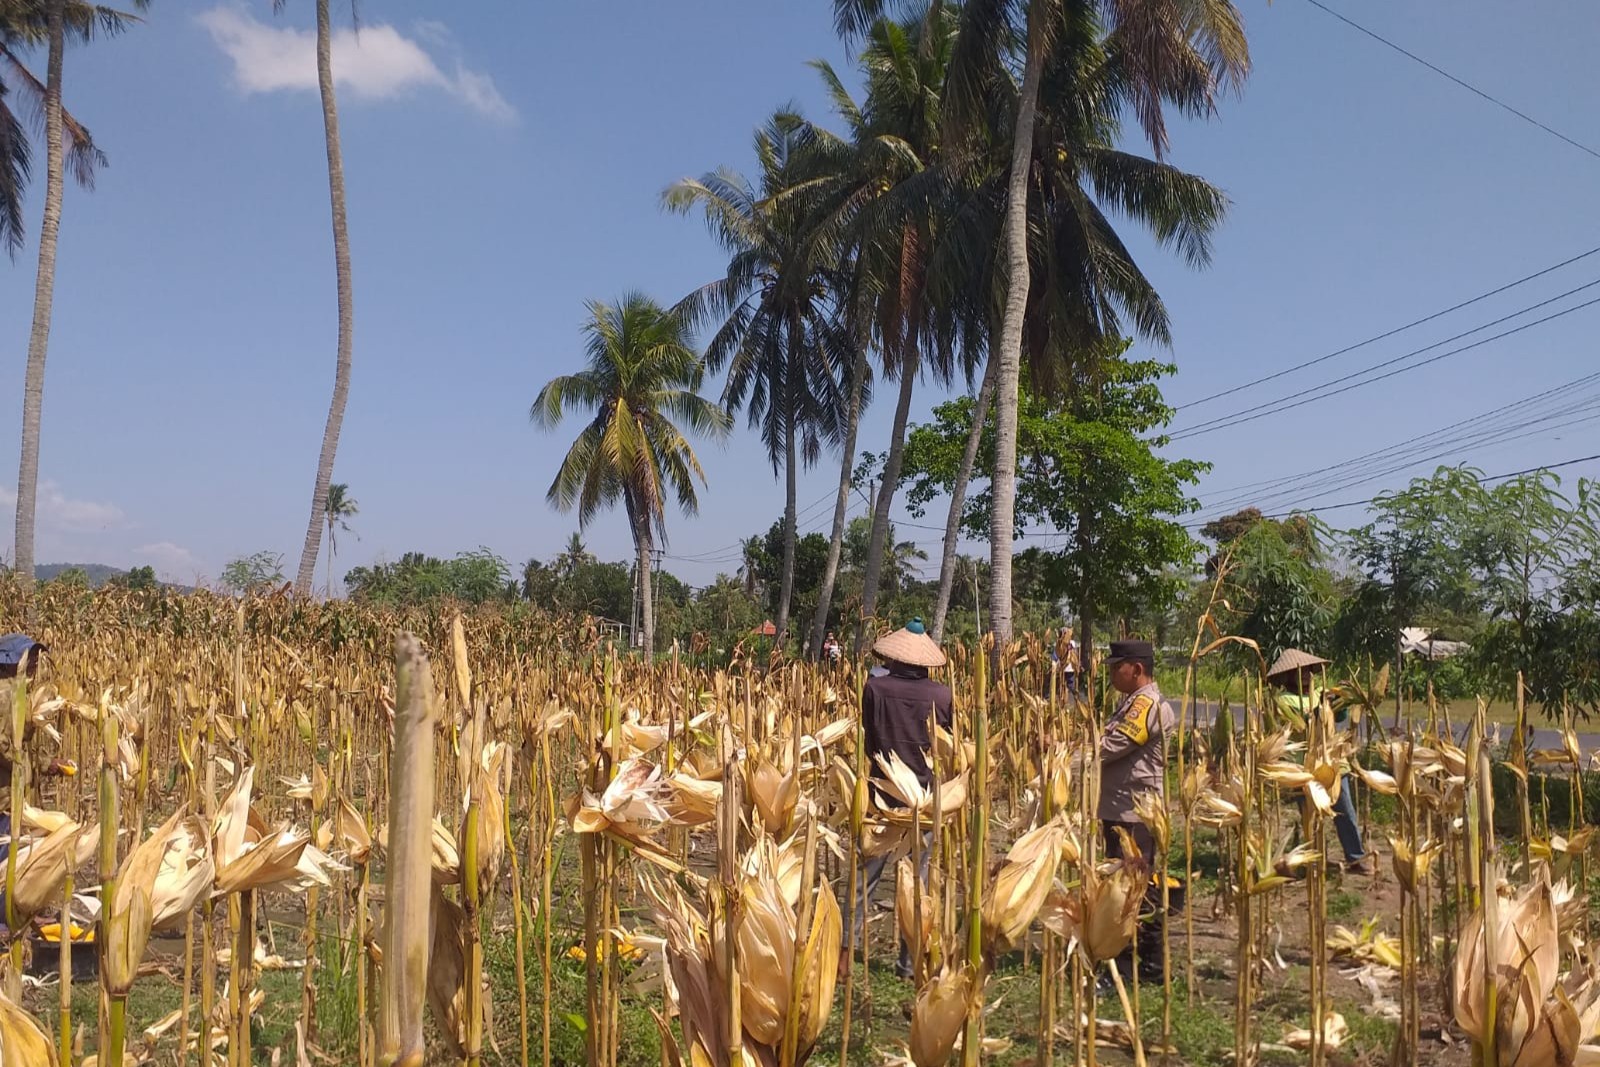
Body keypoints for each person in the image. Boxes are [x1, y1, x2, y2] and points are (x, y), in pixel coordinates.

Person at [845, 617, 953, 980]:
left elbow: (869, 736)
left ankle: (844, 956)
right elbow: (945, 746)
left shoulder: (875, 689)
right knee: (916, 885)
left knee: (864, 878)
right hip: (925, 798)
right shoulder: (942, 695)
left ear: (893, 657)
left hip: (881, 794)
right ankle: (909, 965)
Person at [1099, 639, 1175, 981]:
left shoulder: (1146, 705)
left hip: (1134, 813)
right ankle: (1149, 964)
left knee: (1133, 890)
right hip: (1121, 809)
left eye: (1118, 667)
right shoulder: (1132, 702)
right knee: (1132, 886)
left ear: (1137, 669)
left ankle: (1131, 966)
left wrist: (1062, 753)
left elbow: (1111, 746)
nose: (1113, 673)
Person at [1268, 647, 1369, 874]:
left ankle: (1355, 858)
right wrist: (1317, 711)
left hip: (1332, 763)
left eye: (1308, 670)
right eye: (1299, 671)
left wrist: (1343, 701)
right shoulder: (1283, 700)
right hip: (1304, 768)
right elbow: (1297, 725)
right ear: (1288, 675)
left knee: (1345, 811)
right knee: (1310, 817)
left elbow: (1338, 718)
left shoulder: (1321, 691)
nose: (1306, 675)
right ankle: (1315, 860)